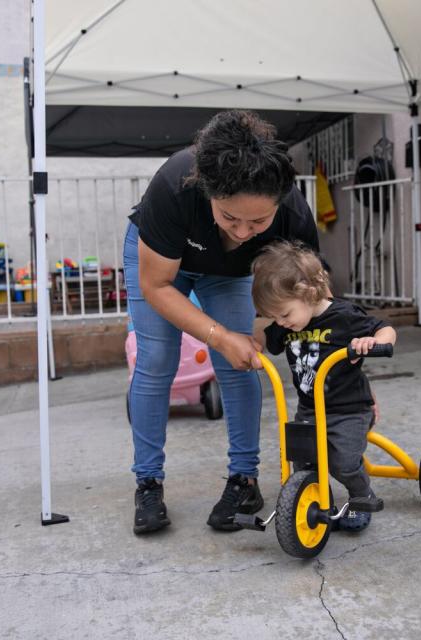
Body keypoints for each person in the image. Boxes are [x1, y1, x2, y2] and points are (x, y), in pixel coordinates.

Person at [124, 110, 319, 534]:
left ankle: (244, 480)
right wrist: (217, 334)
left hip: (227, 271)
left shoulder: (293, 215)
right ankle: (148, 482)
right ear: (207, 191)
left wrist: (354, 375)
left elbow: (320, 306)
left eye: (258, 221)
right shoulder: (174, 186)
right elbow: (157, 286)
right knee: (156, 358)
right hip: (162, 261)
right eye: (231, 218)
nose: (244, 231)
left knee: (240, 360)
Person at [251, 241, 396, 532]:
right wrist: (252, 347)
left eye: (285, 314)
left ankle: (360, 497)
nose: (281, 322)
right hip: (310, 409)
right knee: (304, 461)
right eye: (275, 317)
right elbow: (265, 337)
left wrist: (374, 343)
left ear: (307, 293)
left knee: (343, 463)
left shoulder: (344, 317)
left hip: (350, 410)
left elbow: (385, 329)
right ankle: (318, 500)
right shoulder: (286, 324)